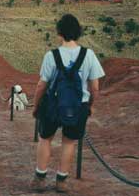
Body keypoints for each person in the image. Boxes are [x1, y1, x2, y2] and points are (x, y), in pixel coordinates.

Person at [30, 14, 105, 193]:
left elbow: (42, 84)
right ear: (78, 33)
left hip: (52, 105)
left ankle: (40, 178)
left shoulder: (51, 55)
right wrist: (92, 106)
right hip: (78, 106)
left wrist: (35, 105)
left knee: (45, 139)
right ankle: (62, 181)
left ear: (59, 33)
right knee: (69, 142)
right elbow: (95, 87)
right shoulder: (89, 55)